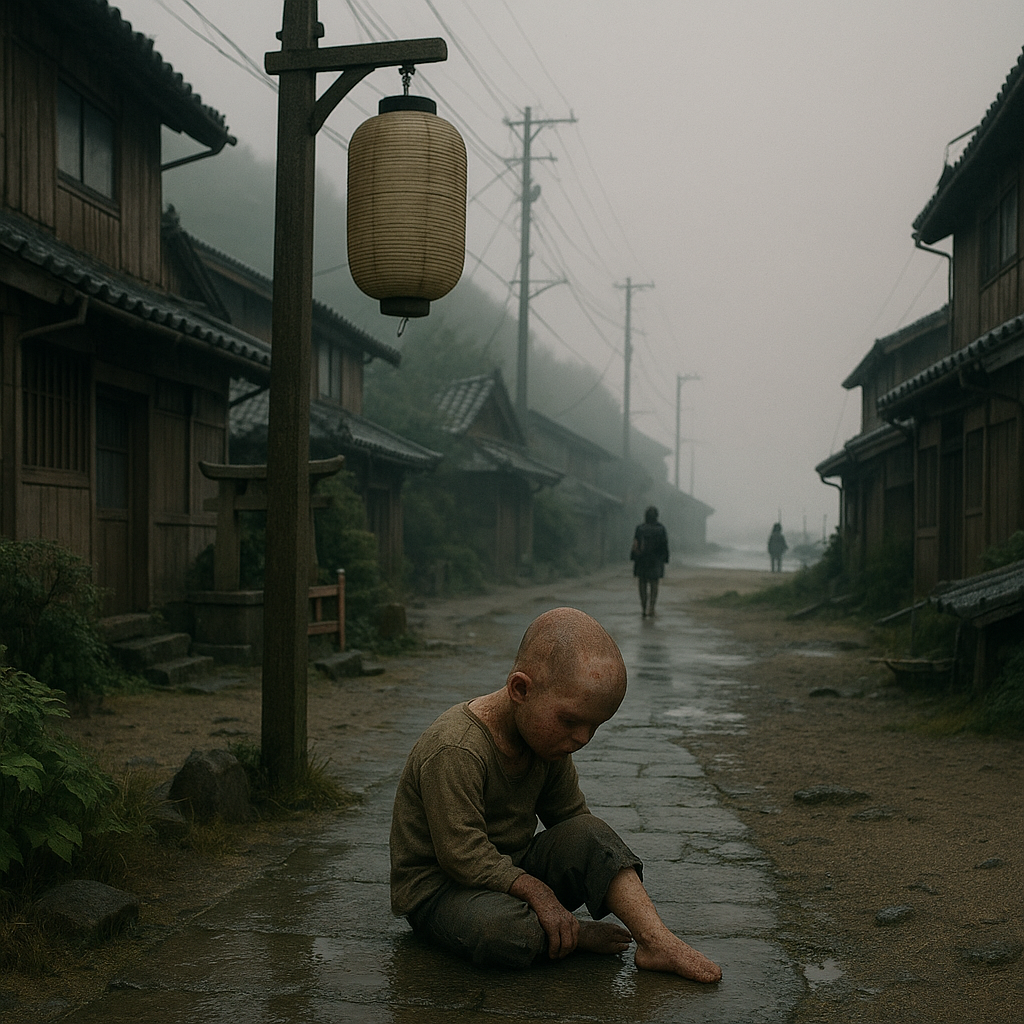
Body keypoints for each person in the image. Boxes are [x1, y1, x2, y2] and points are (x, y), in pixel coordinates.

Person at [390, 607, 722, 983]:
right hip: (444, 890)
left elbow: (577, 826)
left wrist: (589, 863)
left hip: (510, 869)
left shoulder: (545, 742)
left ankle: (657, 941)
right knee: (504, 934)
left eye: (594, 726)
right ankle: (570, 935)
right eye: (570, 721)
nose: (582, 738)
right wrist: (539, 894)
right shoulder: (456, 748)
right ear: (520, 690)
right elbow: (460, 855)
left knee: (594, 834)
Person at [631, 506, 669, 617]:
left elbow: (635, 544)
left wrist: (634, 558)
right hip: (655, 561)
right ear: (657, 516)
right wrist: (665, 559)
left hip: (642, 561)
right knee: (654, 585)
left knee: (642, 585)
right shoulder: (661, 529)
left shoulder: (640, 528)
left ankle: (643, 607)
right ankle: (651, 608)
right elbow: (664, 546)